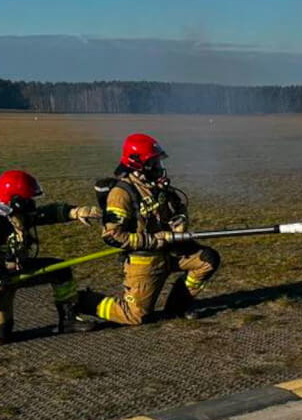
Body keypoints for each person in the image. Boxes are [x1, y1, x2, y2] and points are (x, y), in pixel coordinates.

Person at [0, 170, 103, 345]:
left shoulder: (16, 214)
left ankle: (68, 319)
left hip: (18, 270)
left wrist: (75, 212)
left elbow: (46, 213)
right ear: (16, 200)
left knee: (60, 271)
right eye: (28, 199)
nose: (32, 204)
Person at [91, 133, 220, 324]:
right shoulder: (121, 194)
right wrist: (153, 239)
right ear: (137, 165)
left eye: (158, 162)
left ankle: (177, 307)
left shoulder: (156, 186)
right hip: (145, 258)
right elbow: (112, 236)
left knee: (207, 259)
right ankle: (82, 302)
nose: (159, 168)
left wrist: (181, 220)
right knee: (136, 316)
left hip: (170, 249)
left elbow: (178, 208)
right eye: (154, 163)